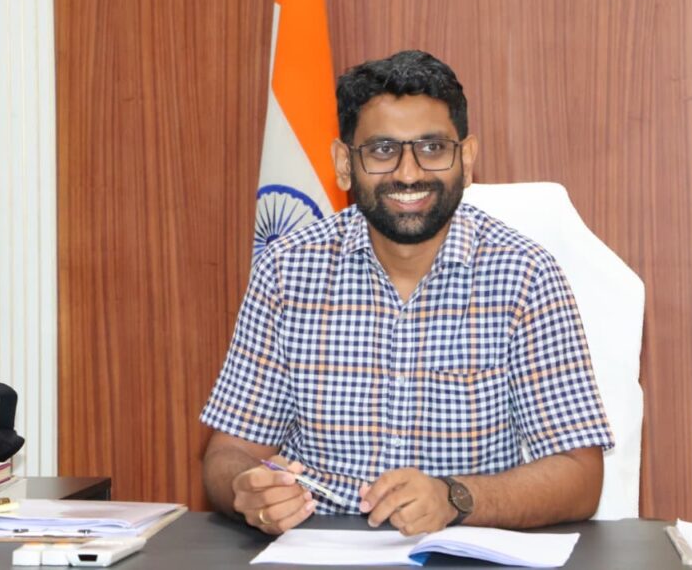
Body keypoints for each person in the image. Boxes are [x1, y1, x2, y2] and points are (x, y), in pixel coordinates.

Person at [200, 50, 612, 537]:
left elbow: (579, 477)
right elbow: (230, 453)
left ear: (467, 160)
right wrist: (248, 490)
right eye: (382, 150)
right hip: (320, 547)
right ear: (344, 164)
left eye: (433, 148)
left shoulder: (525, 275)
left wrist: (454, 498)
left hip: (461, 551)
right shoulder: (287, 270)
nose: (409, 173)